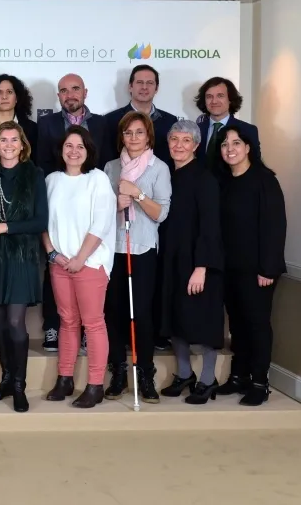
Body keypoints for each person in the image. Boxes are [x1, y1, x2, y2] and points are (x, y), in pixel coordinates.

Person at [42, 126, 116, 408]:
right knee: (67, 321)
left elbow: (102, 222)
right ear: (61, 149)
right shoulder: (52, 180)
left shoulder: (97, 180)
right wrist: (53, 254)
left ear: (88, 151)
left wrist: (81, 258)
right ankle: (65, 378)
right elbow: (42, 222)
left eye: (80, 147)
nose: (74, 151)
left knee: (93, 323)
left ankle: (95, 384)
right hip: (59, 263)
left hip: (90, 263)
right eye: (69, 146)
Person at [0, 121, 46, 412]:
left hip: (21, 257)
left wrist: (2, 227)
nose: (8, 145)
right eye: (3, 139)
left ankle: (19, 385)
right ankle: (5, 378)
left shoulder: (35, 173)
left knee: (16, 323)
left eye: (14, 139)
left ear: (22, 144)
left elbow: (40, 221)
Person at [36, 73, 109, 352]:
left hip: (89, 201)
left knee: (89, 275)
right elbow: (41, 162)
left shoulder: (102, 123)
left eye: (75, 89)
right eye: (64, 91)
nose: (70, 95)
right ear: (58, 97)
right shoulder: (47, 124)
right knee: (54, 272)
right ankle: (52, 327)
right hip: (58, 199)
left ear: (85, 92)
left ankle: (88, 332)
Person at [215, 125, 286, 407]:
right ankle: (239, 376)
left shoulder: (264, 180)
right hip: (231, 268)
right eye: (224, 144)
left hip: (258, 270)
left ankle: (259, 382)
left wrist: (268, 269)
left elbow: (274, 227)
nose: (230, 148)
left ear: (248, 148)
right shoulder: (225, 182)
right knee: (238, 326)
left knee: (257, 325)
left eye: (236, 143)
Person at [102, 111, 171, 403]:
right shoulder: (110, 167)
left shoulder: (159, 168)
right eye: (128, 133)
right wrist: (116, 204)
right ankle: (118, 370)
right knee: (114, 312)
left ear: (148, 136)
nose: (133, 138)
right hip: (112, 250)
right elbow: (100, 213)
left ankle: (144, 372)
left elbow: (161, 213)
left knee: (140, 314)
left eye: (139, 133)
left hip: (142, 249)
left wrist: (138, 194)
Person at [157, 120, 225, 405]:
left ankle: (208, 379)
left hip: (199, 264)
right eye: (174, 139)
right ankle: (184, 373)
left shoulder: (205, 179)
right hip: (173, 259)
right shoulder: (168, 176)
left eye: (186, 140)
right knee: (176, 318)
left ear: (196, 145)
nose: (179, 145)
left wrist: (201, 268)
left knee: (205, 321)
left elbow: (210, 226)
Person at [103, 65, 178, 170]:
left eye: (150, 83)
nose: (144, 87)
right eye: (139, 82)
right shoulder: (110, 120)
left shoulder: (170, 121)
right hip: (121, 181)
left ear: (156, 88)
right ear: (130, 87)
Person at [194, 77, 260, 168]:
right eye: (209, 96)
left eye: (220, 96)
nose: (214, 101)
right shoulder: (195, 130)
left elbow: (255, 166)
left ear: (230, 99)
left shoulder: (248, 130)